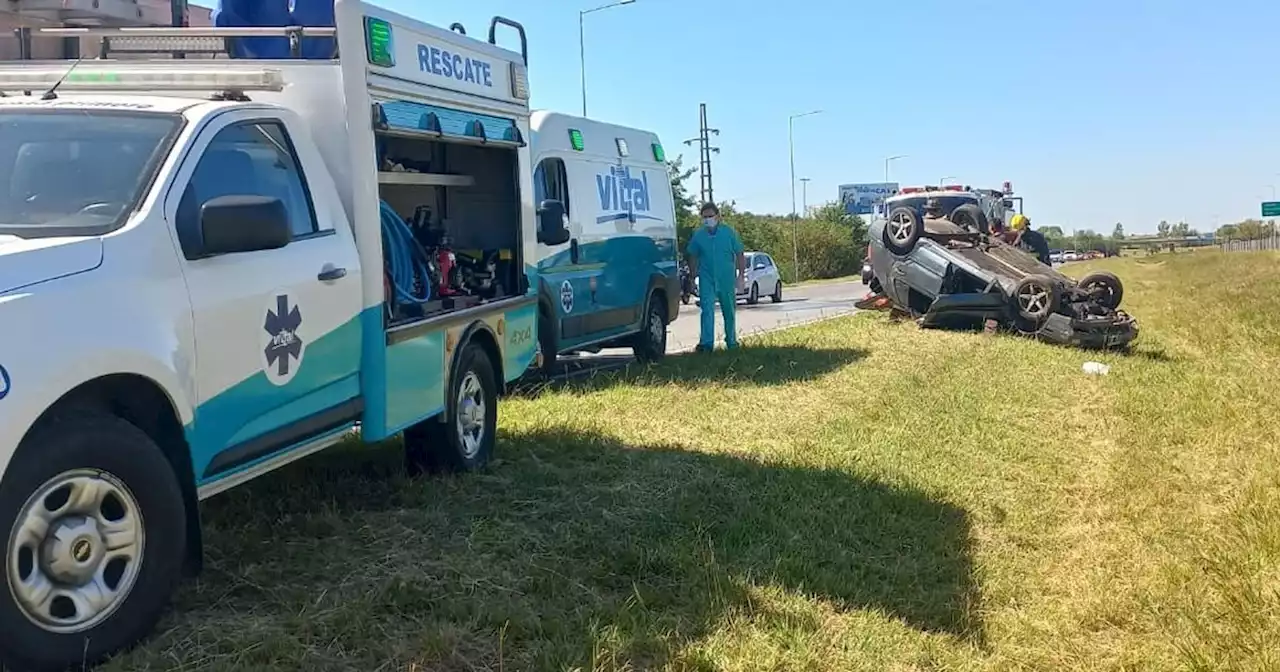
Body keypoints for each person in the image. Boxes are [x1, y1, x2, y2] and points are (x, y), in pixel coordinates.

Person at [686, 202, 745, 352]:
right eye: (704, 217)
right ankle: (706, 343)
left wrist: (741, 275)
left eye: (710, 216)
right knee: (707, 309)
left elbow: (739, 253)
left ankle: (731, 342)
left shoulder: (728, 232)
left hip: (726, 277)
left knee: (729, 310)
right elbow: (692, 254)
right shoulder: (699, 235)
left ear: (718, 216)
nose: (708, 220)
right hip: (707, 278)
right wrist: (692, 277)